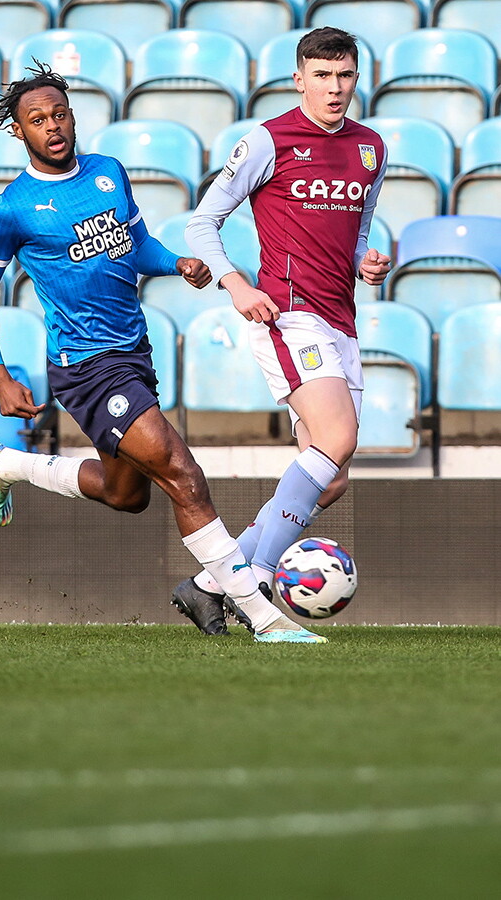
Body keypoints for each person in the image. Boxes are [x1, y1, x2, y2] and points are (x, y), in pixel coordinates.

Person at [0, 61, 326, 644]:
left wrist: (173, 262)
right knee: (184, 473)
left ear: (72, 117)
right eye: (37, 120)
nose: (51, 126)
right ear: (19, 131)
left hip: (134, 352)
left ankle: (5, 464)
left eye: (59, 114)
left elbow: (134, 245)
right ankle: (266, 619)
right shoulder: (9, 209)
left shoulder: (108, 172)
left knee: (124, 494)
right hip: (85, 366)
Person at [171, 26, 391, 635]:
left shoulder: (370, 148)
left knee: (333, 477)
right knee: (338, 438)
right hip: (289, 313)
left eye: (345, 75)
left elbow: (359, 230)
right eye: (322, 76)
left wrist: (366, 261)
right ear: (299, 79)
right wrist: (236, 284)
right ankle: (259, 580)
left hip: (341, 318)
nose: (335, 87)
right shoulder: (269, 141)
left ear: (356, 78)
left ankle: (211, 581)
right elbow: (202, 224)